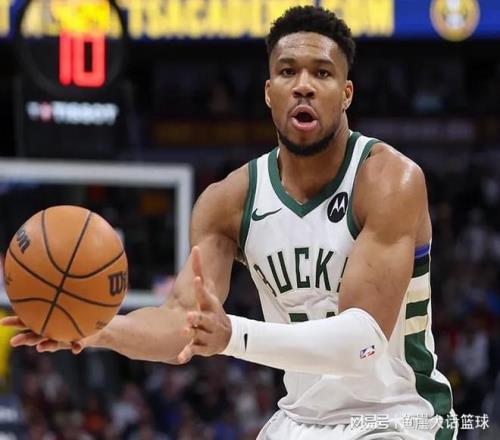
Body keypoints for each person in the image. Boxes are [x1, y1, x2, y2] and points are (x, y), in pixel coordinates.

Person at [3, 6, 457, 440]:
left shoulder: (389, 179)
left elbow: (362, 343)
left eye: (322, 73)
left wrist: (232, 335)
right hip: (300, 421)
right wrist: (93, 328)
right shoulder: (228, 202)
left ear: (346, 94)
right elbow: (183, 325)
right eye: (288, 72)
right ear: (269, 92)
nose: (303, 86)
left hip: (397, 417)